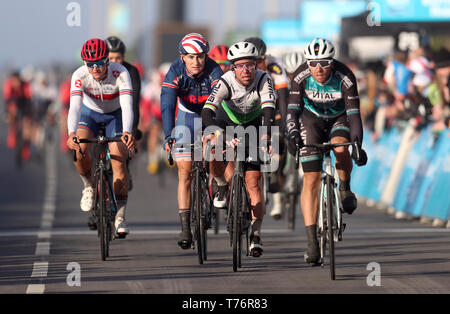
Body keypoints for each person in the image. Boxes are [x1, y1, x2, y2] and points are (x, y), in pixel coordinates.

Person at [286, 38, 367, 265]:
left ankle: (345, 188)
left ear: (332, 63)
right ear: (308, 64)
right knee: (310, 179)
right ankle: (312, 241)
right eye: (313, 63)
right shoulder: (300, 76)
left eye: (323, 63)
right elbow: (292, 111)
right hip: (311, 121)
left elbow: (354, 115)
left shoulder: (345, 76)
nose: (318, 69)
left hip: (339, 118)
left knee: (341, 148)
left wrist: (358, 144)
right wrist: (292, 135)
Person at [202, 41, 276, 257]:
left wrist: (266, 135)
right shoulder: (225, 81)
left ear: (256, 65)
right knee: (213, 147)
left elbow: (269, 111)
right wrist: (218, 134)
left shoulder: (264, 79)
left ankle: (255, 235)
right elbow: (207, 112)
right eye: (240, 66)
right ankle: (221, 184)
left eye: (250, 66)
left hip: (254, 124)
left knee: (253, 183)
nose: (245, 71)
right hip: (227, 122)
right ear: (232, 67)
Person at [66, 38, 135, 238]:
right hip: (90, 114)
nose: (95, 68)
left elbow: (128, 105)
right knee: (79, 150)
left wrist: (128, 131)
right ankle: (88, 185)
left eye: (100, 63)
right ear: (84, 63)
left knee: (118, 161)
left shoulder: (120, 73)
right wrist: (71, 133)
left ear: (107, 60)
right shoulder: (79, 75)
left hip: (116, 115)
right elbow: (75, 107)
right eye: (90, 64)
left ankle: (120, 216)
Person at [161, 33, 223, 249]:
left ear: (206, 56)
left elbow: (222, 103)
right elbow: (167, 106)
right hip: (186, 116)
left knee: (214, 149)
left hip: (211, 113)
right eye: (190, 57)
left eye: (200, 57)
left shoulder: (215, 70)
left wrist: (219, 132)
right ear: (182, 57)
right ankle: (186, 227)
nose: (196, 62)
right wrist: (168, 135)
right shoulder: (175, 72)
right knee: (185, 172)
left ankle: (216, 181)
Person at [244, 37, 290, 220]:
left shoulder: (275, 65)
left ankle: (276, 175)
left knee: (279, 138)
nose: (259, 64)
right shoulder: (244, 67)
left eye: (261, 60)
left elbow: (284, 97)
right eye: (255, 61)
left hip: (274, 108)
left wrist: (286, 123)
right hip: (251, 109)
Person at [105, 36, 141, 134]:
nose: (114, 62)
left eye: (118, 58)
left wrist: (133, 128)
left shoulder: (131, 71)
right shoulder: (98, 70)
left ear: (123, 57)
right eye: (110, 58)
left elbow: (134, 102)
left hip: (123, 112)